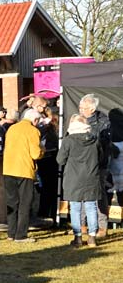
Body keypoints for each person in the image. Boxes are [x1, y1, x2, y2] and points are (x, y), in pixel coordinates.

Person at [58, 114, 100, 248]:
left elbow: (60, 160)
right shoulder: (95, 140)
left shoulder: (68, 140)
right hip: (91, 177)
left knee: (75, 208)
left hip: (73, 178)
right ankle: (92, 237)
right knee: (91, 207)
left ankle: (78, 238)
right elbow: (102, 157)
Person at [2, 108, 43, 242]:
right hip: (24, 170)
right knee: (25, 203)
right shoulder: (33, 131)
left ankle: (11, 233)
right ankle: (21, 235)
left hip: (8, 169)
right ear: (35, 120)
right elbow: (35, 154)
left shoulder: (11, 128)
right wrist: (43, 149)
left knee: (12, 202)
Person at [78, 93, 112, 236]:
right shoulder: (78, 120)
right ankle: (82, 225)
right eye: (80, 107)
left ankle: (102, 226)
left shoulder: (103, 122)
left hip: (98, 165)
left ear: (92, 109)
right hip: (80, 164)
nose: (80, 110)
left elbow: (104, 146)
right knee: (81, 194)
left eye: (83, 108)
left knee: (99, 194)